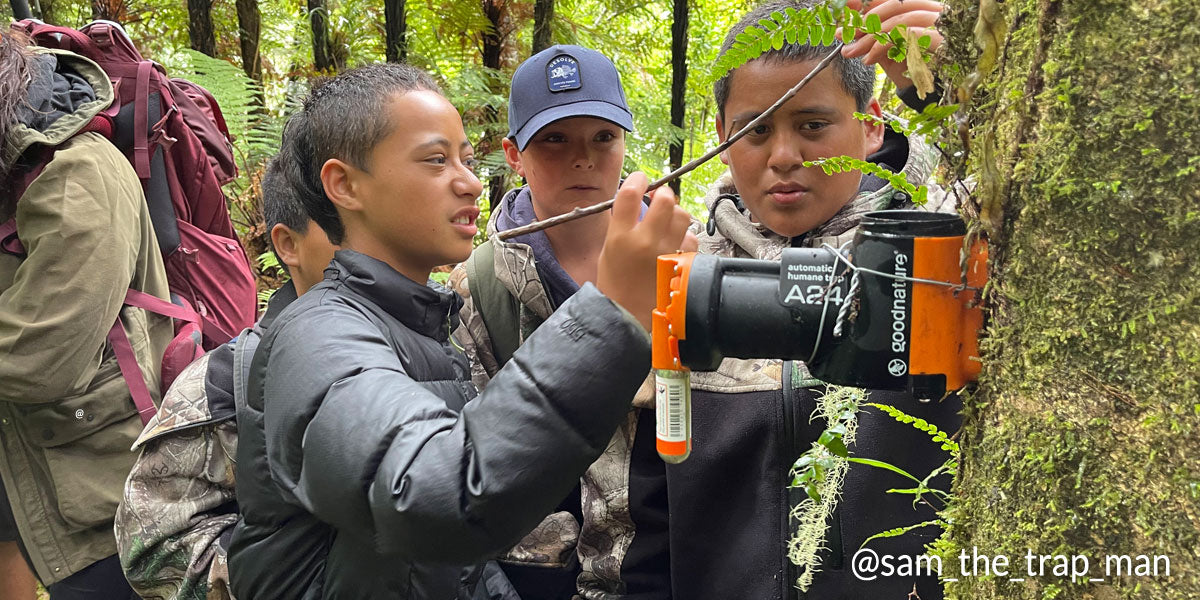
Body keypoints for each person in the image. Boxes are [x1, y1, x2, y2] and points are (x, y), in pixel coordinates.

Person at [227, 62, 692, 599]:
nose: (470, 182)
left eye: (467, 160)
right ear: (345, 184)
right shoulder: (318, 336)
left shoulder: (417, 326)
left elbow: (448, 571)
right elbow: (434, 498)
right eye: (435, 160)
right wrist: (612, 315)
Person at [575, 1, 962, 599]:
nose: (784, 156)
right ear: (724, 142)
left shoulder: (941, 265)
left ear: (873, 124)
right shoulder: (675, 276)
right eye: (756, 130)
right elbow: (626, 527)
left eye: (812, 125)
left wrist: (950, 91)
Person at [449, 44, 697, 600]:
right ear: (514, 154)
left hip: (684, 560)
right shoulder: (481, 285)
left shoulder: (686, 251)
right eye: (555, 140)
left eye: (603, 137)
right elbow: (475, 459)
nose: (583, 159)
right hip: (545, 576)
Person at [115, 147, 337, 600]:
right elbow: (153, 541)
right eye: (346, 229)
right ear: (288, 244)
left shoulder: (456, 330)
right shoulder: (227, 380)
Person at [0, 29, 174, 599]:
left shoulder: (78, 173)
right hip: (35, 472)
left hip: (106, 500)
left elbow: (38, 354)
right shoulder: (13, 170)